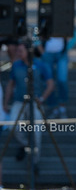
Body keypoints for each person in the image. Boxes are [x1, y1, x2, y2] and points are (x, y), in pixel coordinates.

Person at [3, 43, 54, 171]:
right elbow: (10, 84)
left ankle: (35, 161)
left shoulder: (40, 65)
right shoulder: (16, 65)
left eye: (21, 51)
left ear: (28, 51)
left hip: (35, 101)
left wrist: (42, 99)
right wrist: (5, 102)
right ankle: (26, 145)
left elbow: (51, 84)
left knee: (37, 131)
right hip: (19, 101)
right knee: (12, 126)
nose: (18, 53)